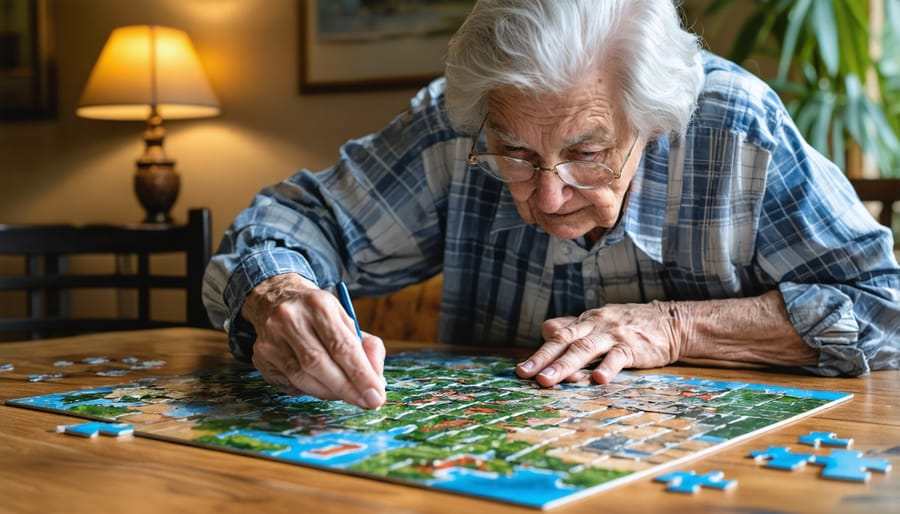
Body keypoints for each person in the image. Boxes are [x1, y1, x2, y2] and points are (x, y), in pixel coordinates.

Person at [202, 0, 900, 410]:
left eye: (588, 153)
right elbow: (284, 225)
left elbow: (883, 307)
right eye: (515, 155)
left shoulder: (735, 130)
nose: (546, 194)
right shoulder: (457, 124)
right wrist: (278, 294)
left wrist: (676, 328)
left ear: (650, 120)